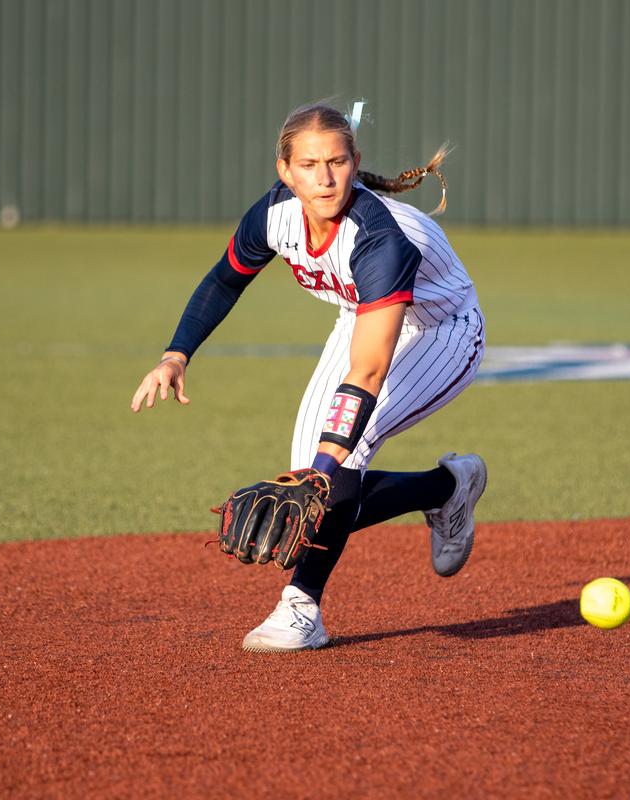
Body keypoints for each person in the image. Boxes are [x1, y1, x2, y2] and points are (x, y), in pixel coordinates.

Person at [130, 102, 487, 652]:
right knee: (315, 473)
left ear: (355, 161)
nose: (324, 177)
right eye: (309, 164)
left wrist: (323, 473)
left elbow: (368, 371)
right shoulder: (273, 216)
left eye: (337, 162)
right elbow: (225, 280)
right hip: (363, 316)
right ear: (284, 171)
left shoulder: (380, 239)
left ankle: (301, 607)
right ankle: (446, 487)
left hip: (443, 329)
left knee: (336, 462)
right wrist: (177, 353)